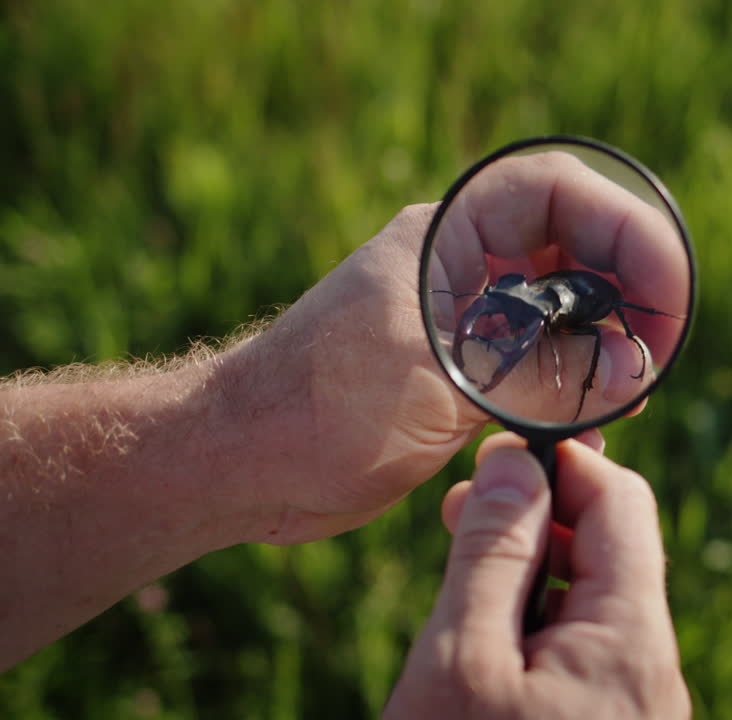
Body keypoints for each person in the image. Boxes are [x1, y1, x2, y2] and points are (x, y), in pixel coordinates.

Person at [0, 153, 692, 718]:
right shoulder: (518, 298)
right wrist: (250, 414)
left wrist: (230, 424)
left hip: (577, 302)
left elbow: (550, 314)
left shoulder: (565, 307)